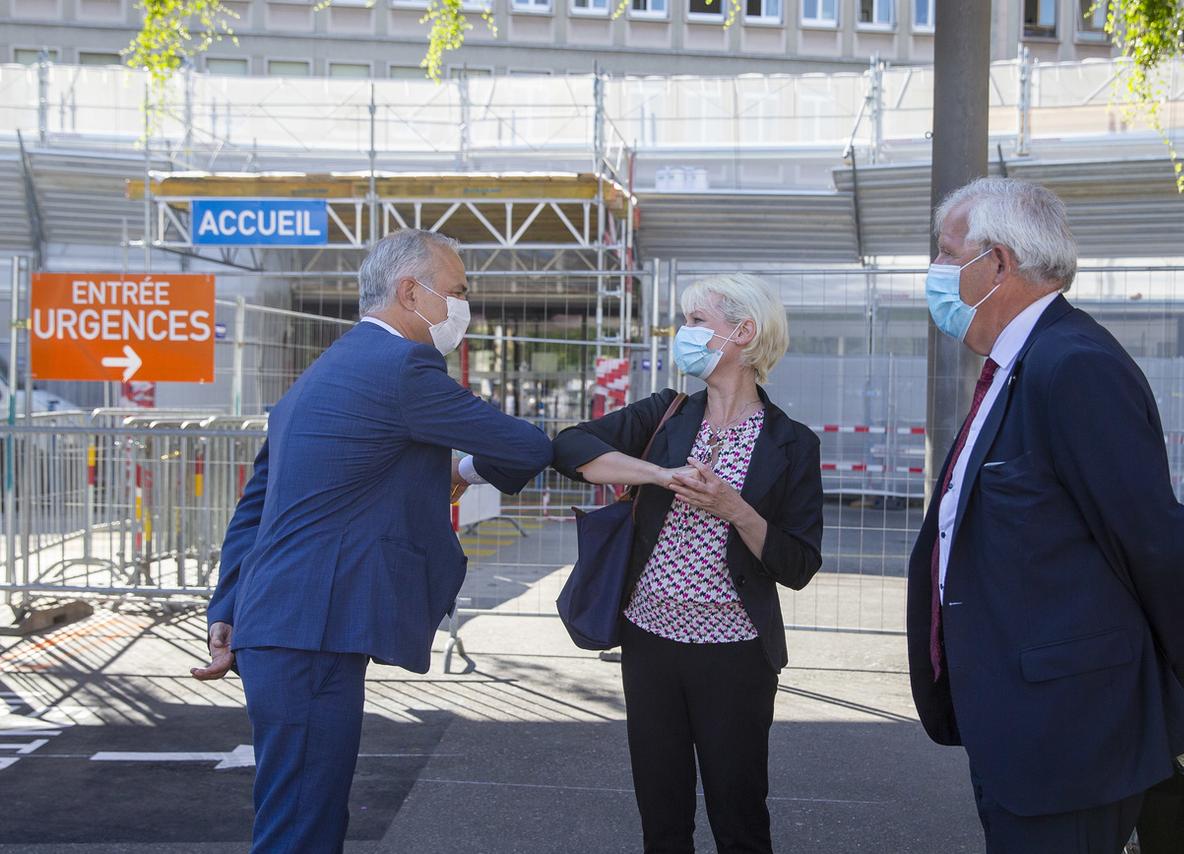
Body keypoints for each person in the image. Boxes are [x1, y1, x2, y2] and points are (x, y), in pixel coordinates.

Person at [192, 229, 552, 853]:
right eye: (457, 293)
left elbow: (258, 504)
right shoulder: (402, 368)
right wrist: (461, 471)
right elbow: (526, 446)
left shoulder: (324, 370)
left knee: (304, 813)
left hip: (281, 622)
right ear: (411, 292)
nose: (463, 309)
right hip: (312, 630)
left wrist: (227, 607)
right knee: (302, 825)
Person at [907, 177, 1184, 853]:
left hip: (1069, 739)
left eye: (946, 250)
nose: (935, 271)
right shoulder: (1018, 364)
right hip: (1019, 728)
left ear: (997, 263)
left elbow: (1153, 541)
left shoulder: (1073, 365)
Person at [552, 273, 824, 854]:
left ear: (743, 332)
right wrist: (659, 475)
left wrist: (736, 509)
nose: (684, 333)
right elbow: (571, 448)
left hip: (735, 653)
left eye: (698, 321)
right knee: (661, 813)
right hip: (648, 643)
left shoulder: (792, 443)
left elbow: (799, 564)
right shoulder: (666, 415)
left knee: (739, 813)